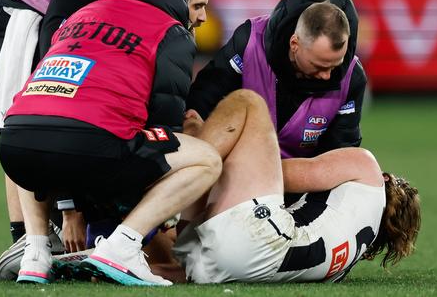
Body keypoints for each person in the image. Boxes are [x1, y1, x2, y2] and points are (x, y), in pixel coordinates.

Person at [0, 0, 233, 245]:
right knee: (28, 106)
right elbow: (56, 28)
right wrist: (69, 207)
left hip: (66, 11)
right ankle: (26, 241)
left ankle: (66, 234)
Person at [166, 89, 421, 283]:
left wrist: (214, 138)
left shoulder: (367, 167)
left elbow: (285, 174)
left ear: (386, 179)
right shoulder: (344, 268)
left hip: (258, 239)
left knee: (247, 103)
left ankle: (165, 190)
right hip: (227, 266)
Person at [186, 0, 366, 183]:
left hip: (301, 184)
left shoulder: (352, 77)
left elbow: (339, 155)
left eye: (335, 65)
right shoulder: (249, 43)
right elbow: (201, 102)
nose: (327, 76)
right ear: (294, 44)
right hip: (230, 175)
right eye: (320, 65)